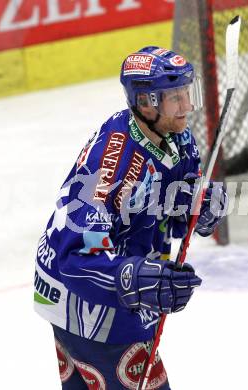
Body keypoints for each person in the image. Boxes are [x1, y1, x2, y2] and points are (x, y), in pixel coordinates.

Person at [34, 46, 228, 389]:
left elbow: (173, 203)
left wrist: (200, 206)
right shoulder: (109, 167)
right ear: (146, 103)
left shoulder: (176, 138)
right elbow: (76, 257)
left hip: (112, 296)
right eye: (175, 98)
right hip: (87, 304)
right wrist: (136, 279)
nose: (187, 106)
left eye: (187, 93)